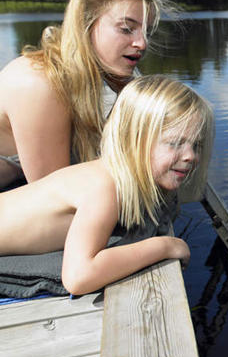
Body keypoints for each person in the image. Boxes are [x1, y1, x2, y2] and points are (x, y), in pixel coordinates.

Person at [0, 75, 213, 295]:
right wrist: (166, 246)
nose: (190, 156)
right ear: (134, 139)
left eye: (196, 145)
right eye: (175, 143)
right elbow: (78, 277)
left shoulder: (114, 178)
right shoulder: (105, 187)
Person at [0, 0, 172, 188]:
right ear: (84, 24)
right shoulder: (37, 83)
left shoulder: (111, 74)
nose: (142, 43)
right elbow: (56, 196)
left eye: (146, 32)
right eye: (127, 29)